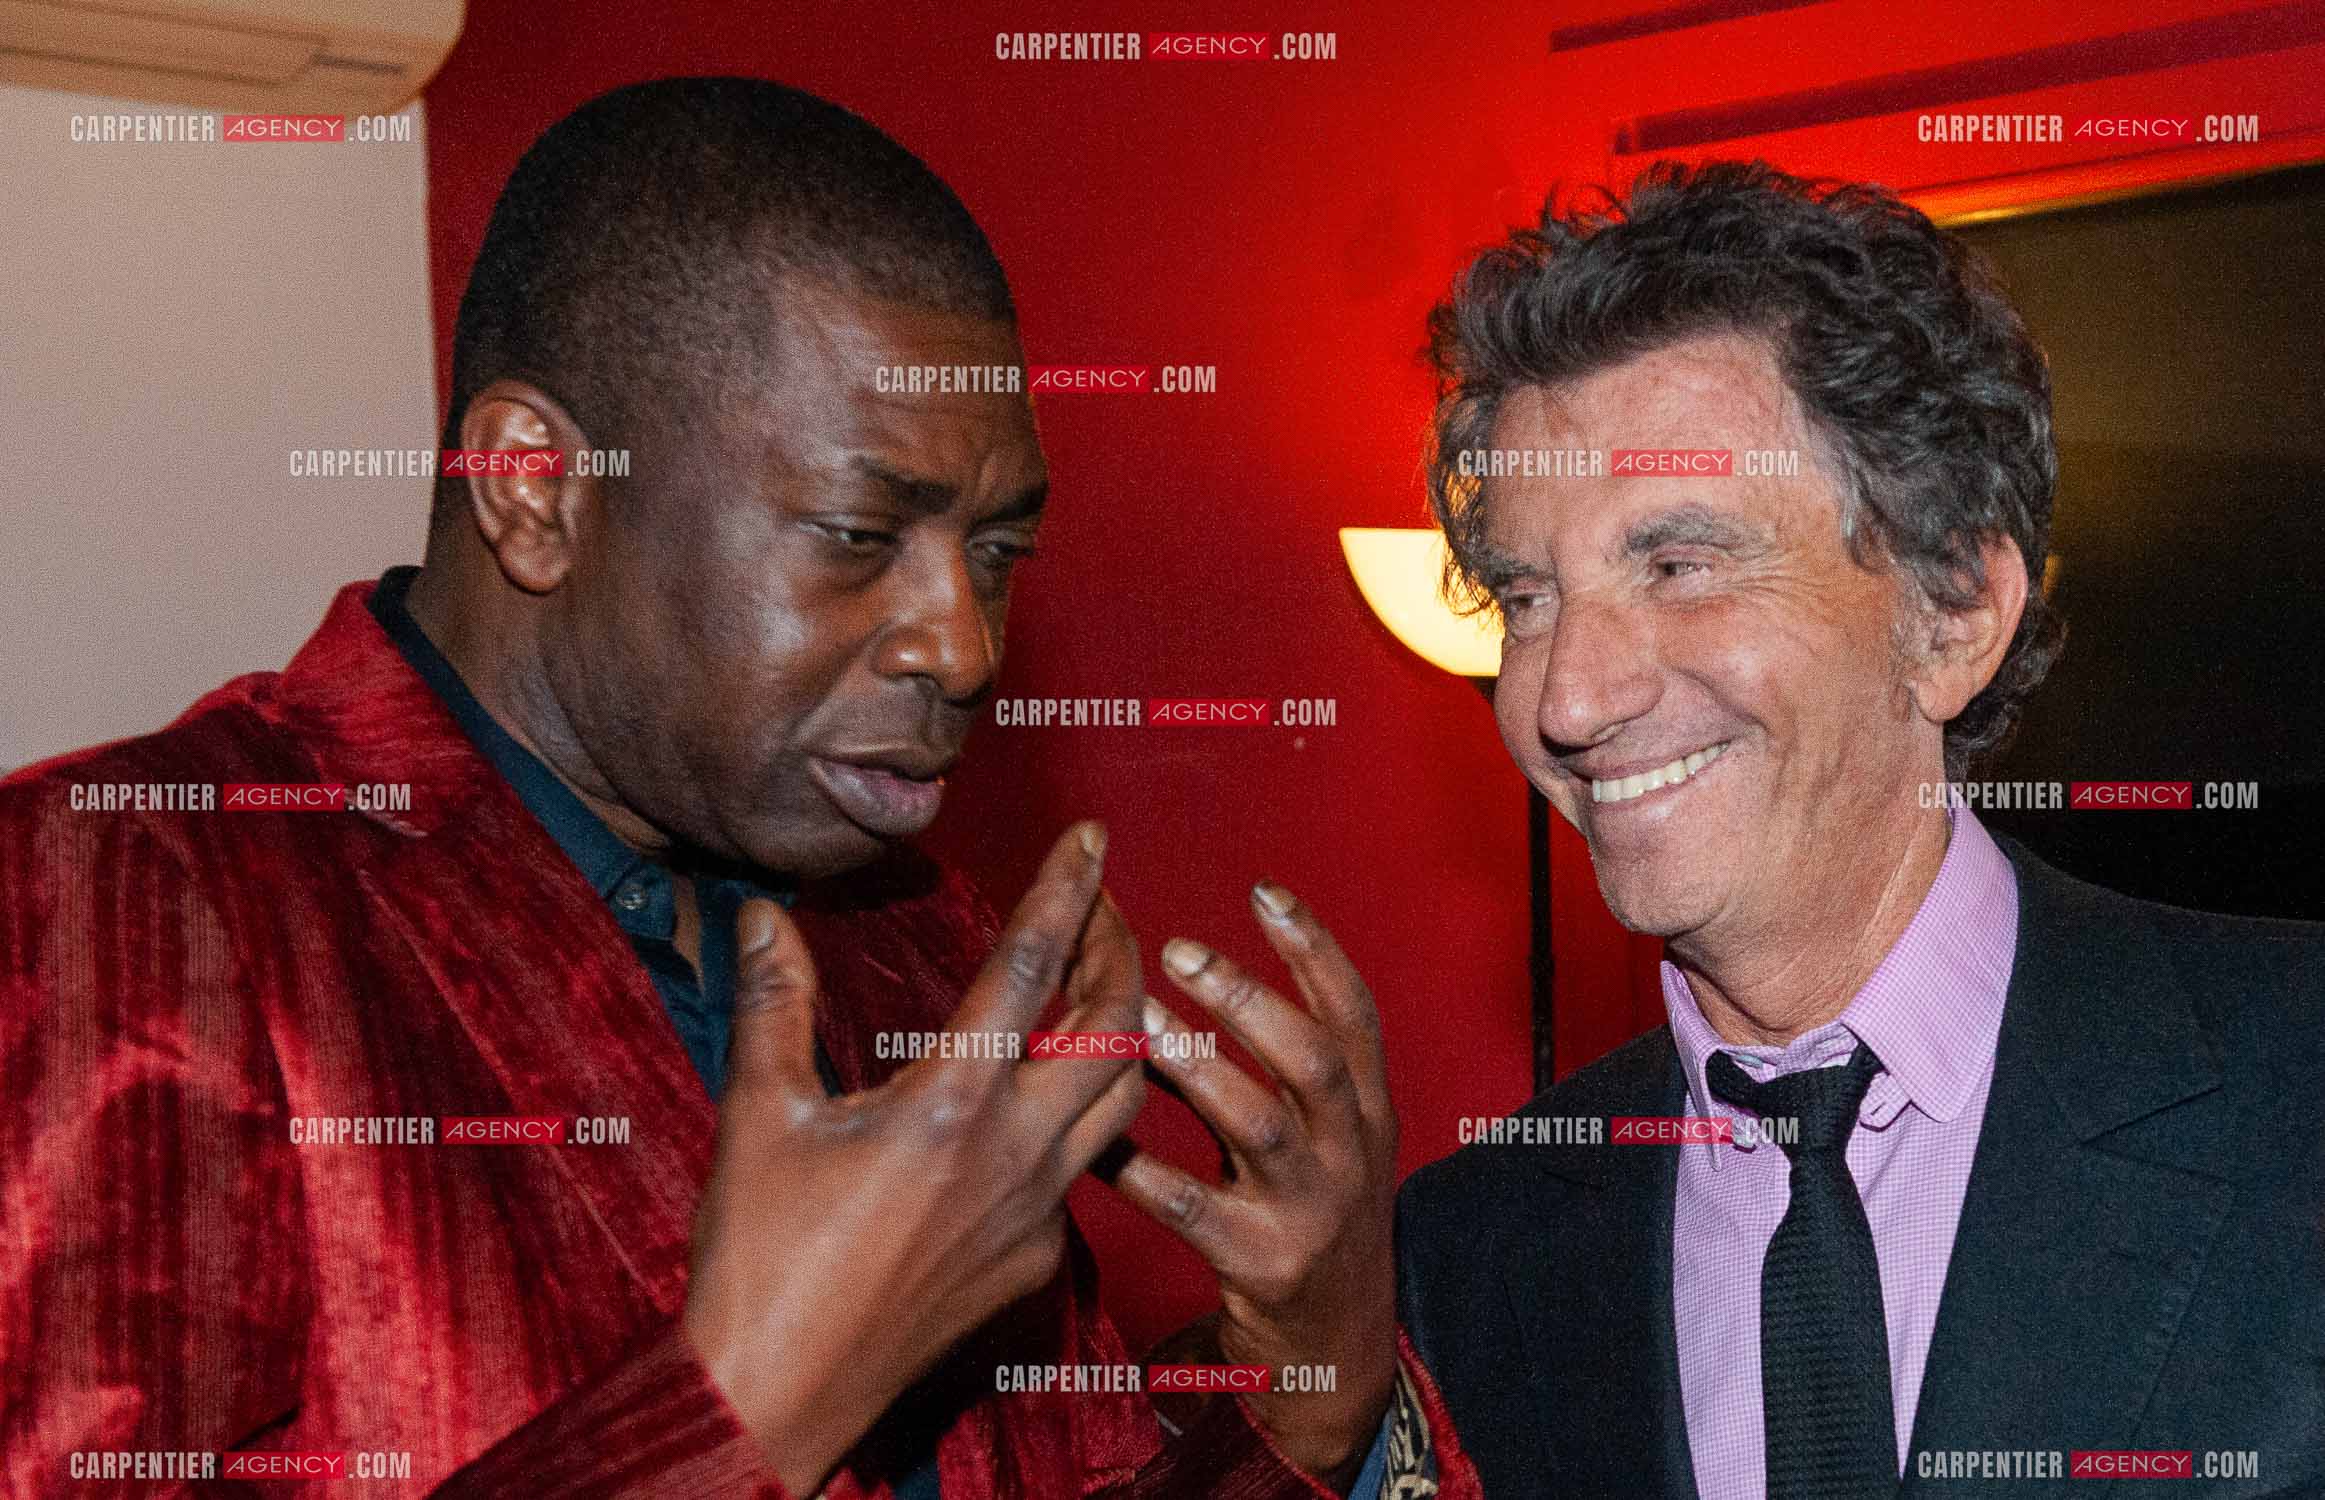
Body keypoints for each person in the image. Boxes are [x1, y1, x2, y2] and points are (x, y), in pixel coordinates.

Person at [0, 78, 1478, 1499]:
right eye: (857, 535)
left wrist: (1310, 1385)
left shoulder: (916, 939)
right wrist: (759, 1404)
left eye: (994, 554)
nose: (963, 647)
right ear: (534, 487)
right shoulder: (127, 888)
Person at [1188, 161, 2322, 1498]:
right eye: (1527, 599)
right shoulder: (1466, 1250)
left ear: (1953, 613)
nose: (1564, 700)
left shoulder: (2294, 1086)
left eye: (1679, 565)